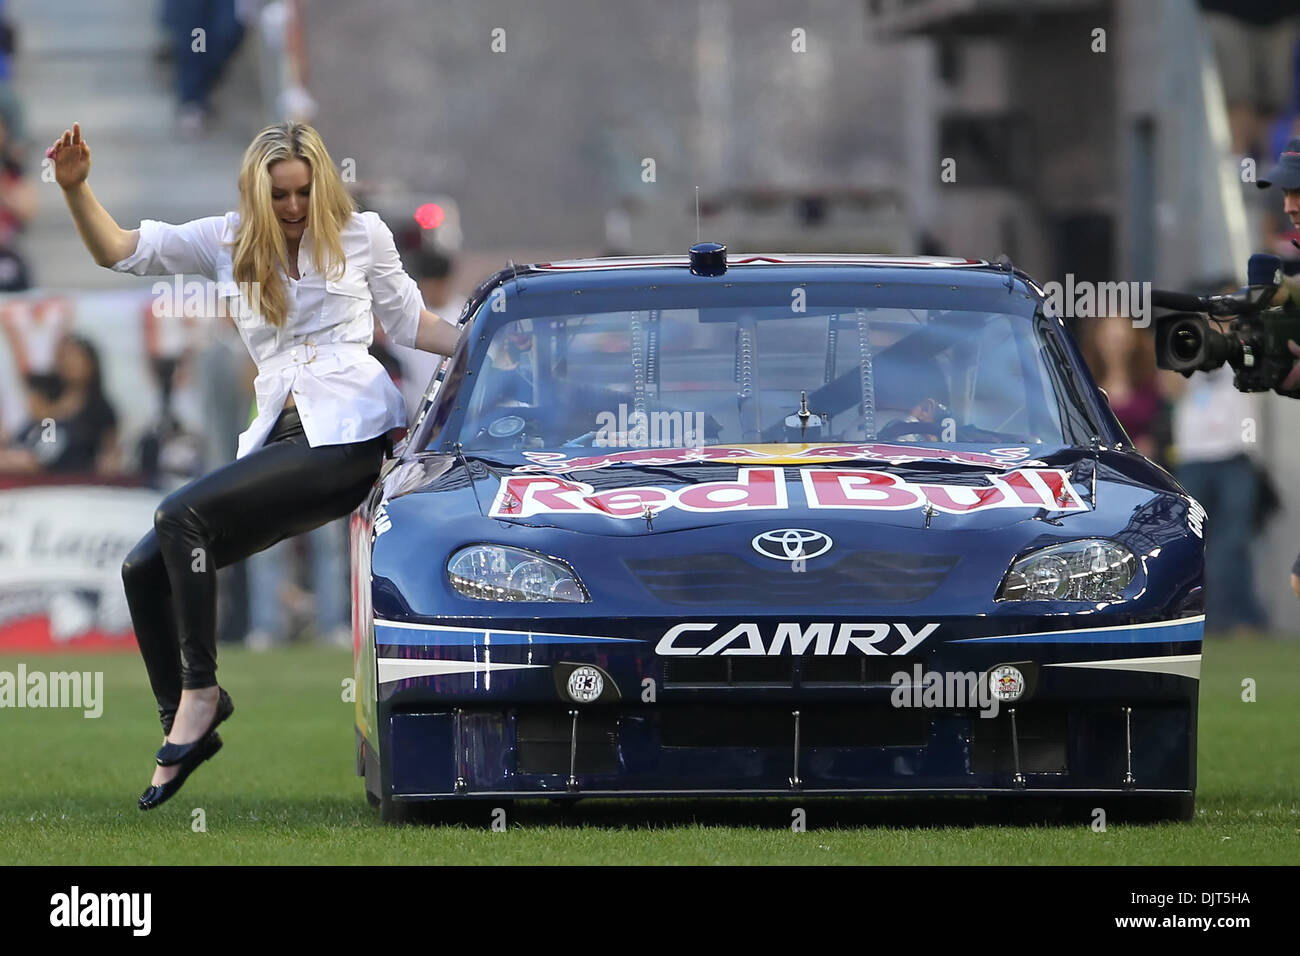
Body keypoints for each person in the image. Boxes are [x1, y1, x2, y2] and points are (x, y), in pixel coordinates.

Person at [48, 120, 464, 809]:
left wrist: (493, 340)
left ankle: (201, 693)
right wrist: (76, 188)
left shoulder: (363, 234)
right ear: (256, 193)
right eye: (280, 196)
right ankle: (186, 718)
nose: (295, 207)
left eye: (304, 191)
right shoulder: (225, 240)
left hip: (347, 436)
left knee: (178, 514)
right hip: (281, 441)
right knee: (141, 568)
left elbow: (415, 324)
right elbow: (119, 250)